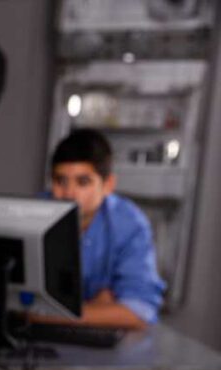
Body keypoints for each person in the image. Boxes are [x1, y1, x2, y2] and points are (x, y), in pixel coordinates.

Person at [44, 128, 166, 329]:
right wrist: (97, 310)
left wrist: (42, 314)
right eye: (60, 181)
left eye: (83, 182)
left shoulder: (130, 225)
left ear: (108, 184)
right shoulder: (34, 214)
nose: (68, 194)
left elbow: (139, 311)